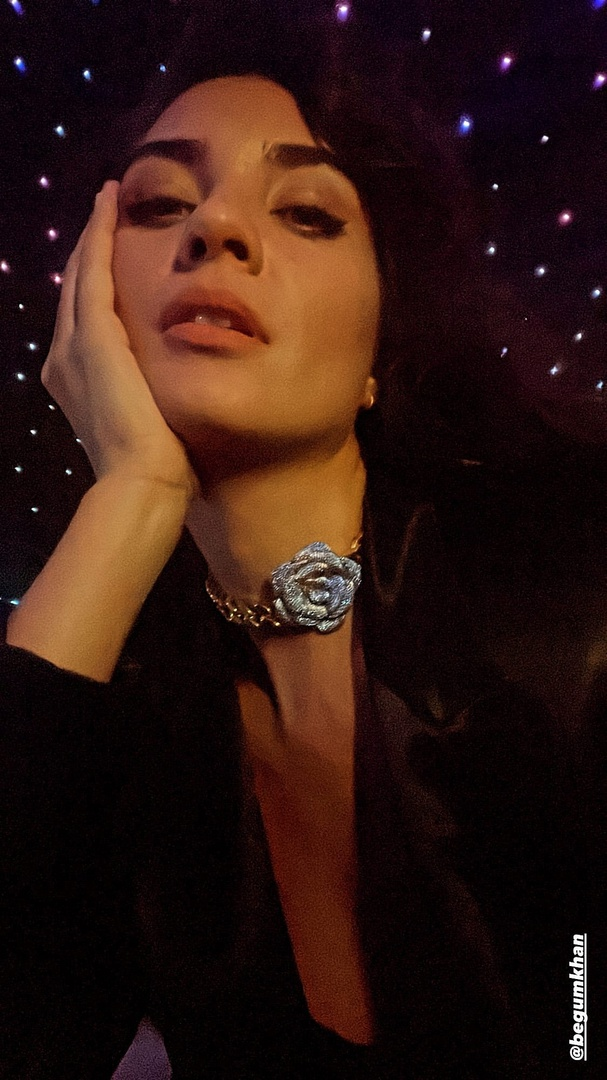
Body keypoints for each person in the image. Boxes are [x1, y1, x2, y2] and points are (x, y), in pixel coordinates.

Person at [1, 2, 605, 1077]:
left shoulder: (575, 592)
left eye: (307, 213)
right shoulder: (126, 702)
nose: (214, 229)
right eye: (158, 203)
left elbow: (579, 1000)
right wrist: (129, 497)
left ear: (380, 344)